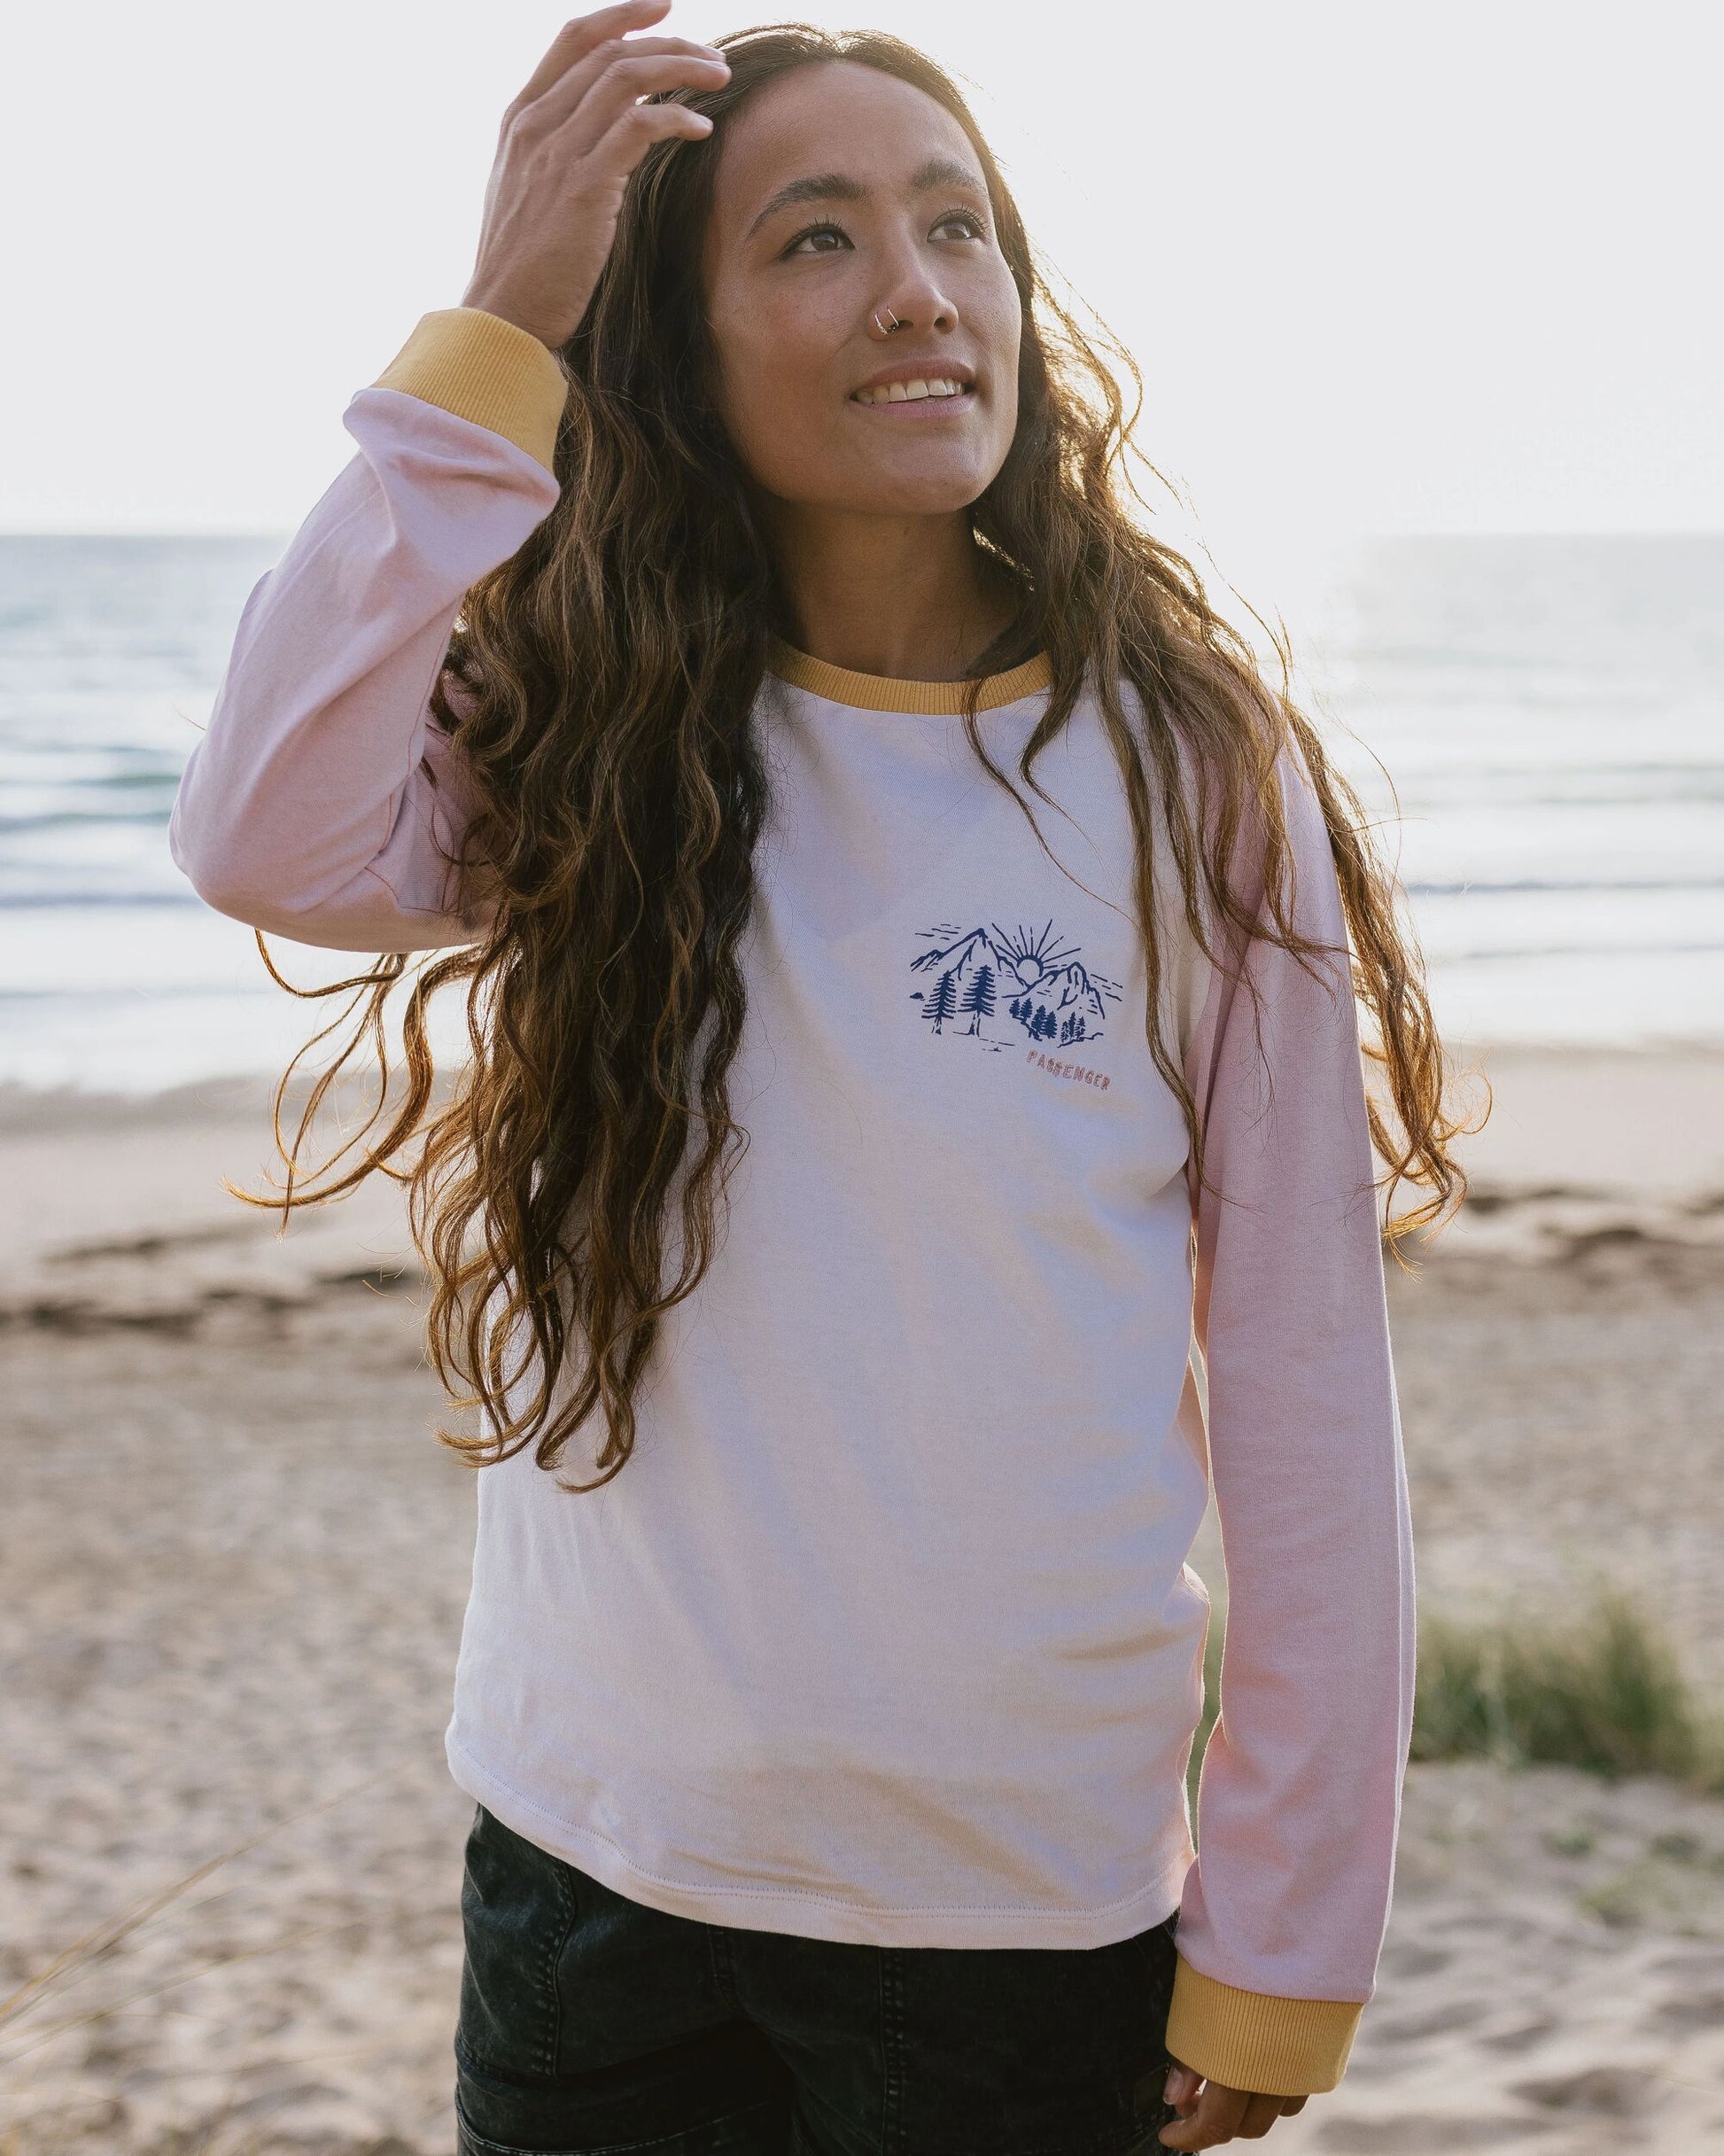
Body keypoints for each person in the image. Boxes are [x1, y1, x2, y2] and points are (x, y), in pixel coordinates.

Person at [170, 8, 1464, 2150]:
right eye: (815, 238)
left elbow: (1307, 1385)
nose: (919, 291)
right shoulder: (589, 720)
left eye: (958, 228)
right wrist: (499, 327)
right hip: (591, 1874)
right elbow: (261, 833)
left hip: (1013, 1917)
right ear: (678, 348)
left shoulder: (1188, 771)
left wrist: (1288, 1932)